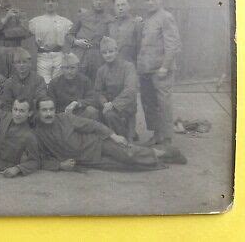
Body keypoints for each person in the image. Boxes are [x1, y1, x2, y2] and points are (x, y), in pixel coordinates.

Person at [34, 97, 187, 172]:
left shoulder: (65, 118)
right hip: (85, 160)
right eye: (44, 110)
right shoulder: (38, 134)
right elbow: (40, 159)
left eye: (51, 109)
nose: (48, 113)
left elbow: (92, 124)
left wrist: (113, 136)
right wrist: (60, 165)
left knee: (128, 155)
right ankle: (160, 159)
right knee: (124, 167)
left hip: (98, 144)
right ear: (38, 112)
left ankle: (164, 152)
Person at [137, 0, 181, 145]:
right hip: (146, 70)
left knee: (164, 105)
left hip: (161, 70)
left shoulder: (166, 17)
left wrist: (165, 66)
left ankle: (167, 140)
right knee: (150, 103)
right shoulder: (148, 19)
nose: (150, 2)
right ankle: (157, 135)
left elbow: (173, 45)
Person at [66, 0, 113, 81]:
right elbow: (69, 35)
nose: (99, 2)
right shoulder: (83, 16)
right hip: (81, 56)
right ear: (92, 0)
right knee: (79, 83)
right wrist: (77, 42)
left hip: (99, 58)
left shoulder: (110, 19)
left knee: (97, 84)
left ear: (106, 0)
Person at [95, 37, 138, 142]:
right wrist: (104, 102)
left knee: (110, 115)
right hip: (108, 106)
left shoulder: (128, 67)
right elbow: (98, 91)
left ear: (116, 51)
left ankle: (125, 138)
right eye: (104, 52)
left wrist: (113, 104)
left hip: (125, 105)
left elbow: (130, 90)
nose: (108, 55)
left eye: (111, 51)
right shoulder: (101, 70)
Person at [28, 0, 73, 84]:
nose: (50, 3)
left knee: (59, 83)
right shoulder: (35, 21)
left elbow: (72, 38)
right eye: (47, 1)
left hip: (59, 55)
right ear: (44, 3)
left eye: (53, 1)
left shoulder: (65, 22)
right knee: (44, 84)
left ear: (57, 3)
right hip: (43, 56)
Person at [48, 53, 99, 120]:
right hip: (62, 115)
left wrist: (78, 103)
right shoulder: (54, 83)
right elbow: (51, 103)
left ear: (78, 68)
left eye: (72, 68)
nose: (69, 71)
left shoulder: (85, 80)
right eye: (66, 68)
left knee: (92, 111)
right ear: (62, 69)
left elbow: (93, 99)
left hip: (81, 115)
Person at [0, 47, 47, 112]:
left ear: (30, 64)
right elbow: (7, 104)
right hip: (15, 115)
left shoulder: (39, 80)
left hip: (33, 114)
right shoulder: (9, 82)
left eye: (25, 62)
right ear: (14, 65)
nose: (21, 65)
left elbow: (41, 101)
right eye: (18, 62)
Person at [108, 0, 142, 65]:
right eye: (117, 5)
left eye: (123, 5)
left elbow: (140, 48)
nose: (120, 8)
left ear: (129, 6)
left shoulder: (136, 24)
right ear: (114, 8)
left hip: (130, 65)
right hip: (112, 65)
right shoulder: (110, 24)